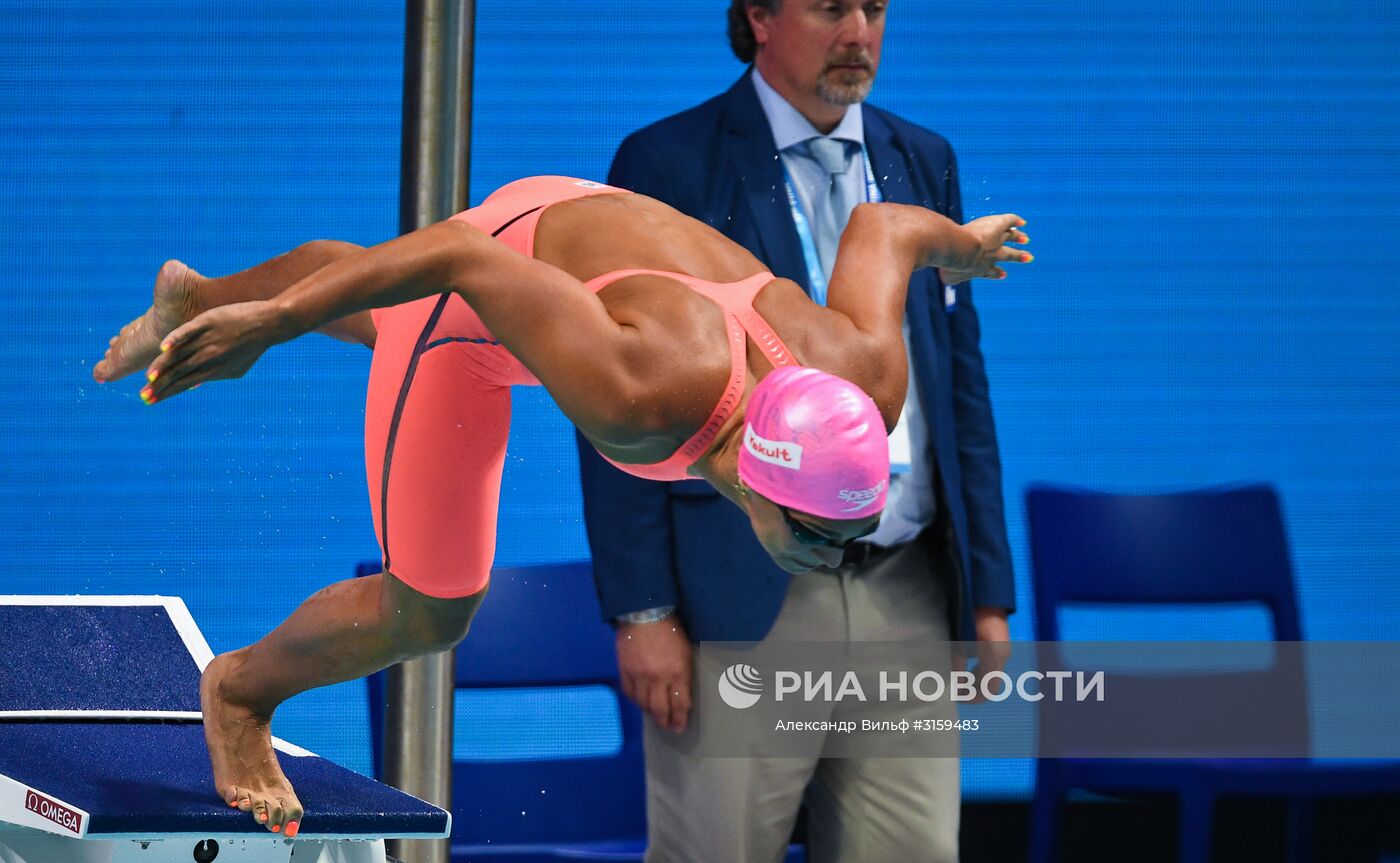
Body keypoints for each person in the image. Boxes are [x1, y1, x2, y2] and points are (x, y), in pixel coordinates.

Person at [92, 174, 1030, 838]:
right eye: (822, 541)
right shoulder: (641, 393)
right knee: (433, 605)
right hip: (483, 287)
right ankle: (242, 692)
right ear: (758, 477)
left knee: (392, 302)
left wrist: (966, 247)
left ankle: (199, 296)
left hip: (572, 218)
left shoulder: (863, 382)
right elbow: (458, 259)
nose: (837, 559)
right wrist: (270, 328)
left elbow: (882, 227)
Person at [574, 2, 1019, 861]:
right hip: (736, 587)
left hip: (908, 582)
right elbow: (619, 395)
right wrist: (643, 607)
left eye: (875, 8)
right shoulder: (667, 163)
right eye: (829, 7)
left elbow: (959, 386)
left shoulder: (923, 160)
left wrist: (988, 591)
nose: (859, 31)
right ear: (760, 17)